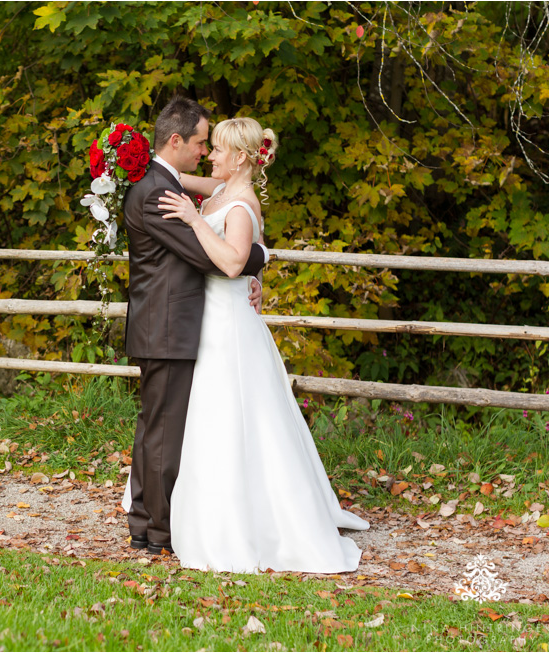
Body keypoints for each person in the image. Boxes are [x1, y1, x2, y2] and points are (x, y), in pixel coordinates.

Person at [155, 116, 370, 573]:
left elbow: (233, 262)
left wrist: (195, 220)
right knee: (217, 415)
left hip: (228, 324)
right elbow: (175, 174)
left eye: (216, 149)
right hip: (212, 316)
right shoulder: (220, 189)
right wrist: (139, 162)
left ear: (238, 158)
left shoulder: (239, 204)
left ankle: (248, 522)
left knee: (235, 415)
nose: (209, 155)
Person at [121, 97, 268, 555]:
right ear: (177, 140)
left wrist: (250, 260)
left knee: (157, 429)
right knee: (162, 432)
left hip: (171, 325)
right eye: (202, 143)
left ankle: (147, 524)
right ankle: (156, 531)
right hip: (166, 328)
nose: (206, 151)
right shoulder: (156, 193)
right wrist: (259, 258)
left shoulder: (166, 181)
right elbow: (210, 256)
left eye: (214, 145)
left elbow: (224, 215)